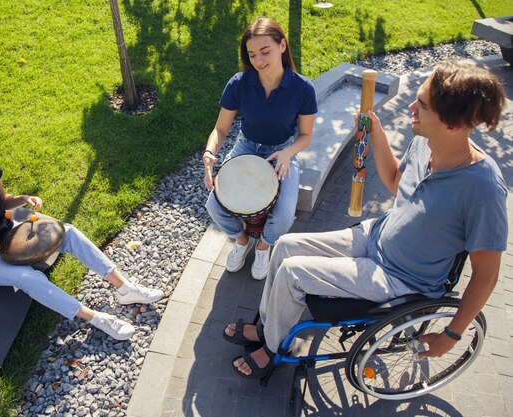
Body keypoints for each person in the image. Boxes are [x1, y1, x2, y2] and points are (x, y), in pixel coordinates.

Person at [224, 61, 508, 378]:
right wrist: (376, 133)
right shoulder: (424, 143)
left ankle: (272, 349)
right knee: (285, 247)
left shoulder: (483, 189)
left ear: (453, 125)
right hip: (375, 237)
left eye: (422, 106)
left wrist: (452, 335)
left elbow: (487, 275)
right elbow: (395, 182)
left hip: (399, 277)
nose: (412, 107)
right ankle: (267, 329)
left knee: (293, 272)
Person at [0, 128, 164, 341]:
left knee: (67, 232)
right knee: (27, 277)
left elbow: (4, 201)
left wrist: (24, 199)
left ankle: (124, 288)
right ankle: (96, 319)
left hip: (11, 236)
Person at [203, 17, 317, 280]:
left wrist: (289, 153)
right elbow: (220, 130)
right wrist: (210, 153)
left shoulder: (302, 88)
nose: (259, 60)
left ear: (282, 45)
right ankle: (241, 240)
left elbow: (306, 135)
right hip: (246, 146)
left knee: (285, 213)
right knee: (214, 206)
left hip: (283, 151)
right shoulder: (239, 83)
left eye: (265, 51)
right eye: (252, 54)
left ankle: (264, 245)